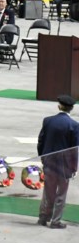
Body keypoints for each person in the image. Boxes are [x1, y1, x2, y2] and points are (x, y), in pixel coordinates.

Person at [37, 94, 79, 228]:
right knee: (61, 194)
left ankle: (43, 218)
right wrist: (74, 168)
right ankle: (55, 221)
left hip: (49, 162)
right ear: (71, 108)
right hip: (64, 166)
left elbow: (41, 142)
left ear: (59, 106)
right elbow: (75, 149)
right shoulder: (74, 125)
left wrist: (43, 158)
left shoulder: (48, 121)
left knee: (48, 192)